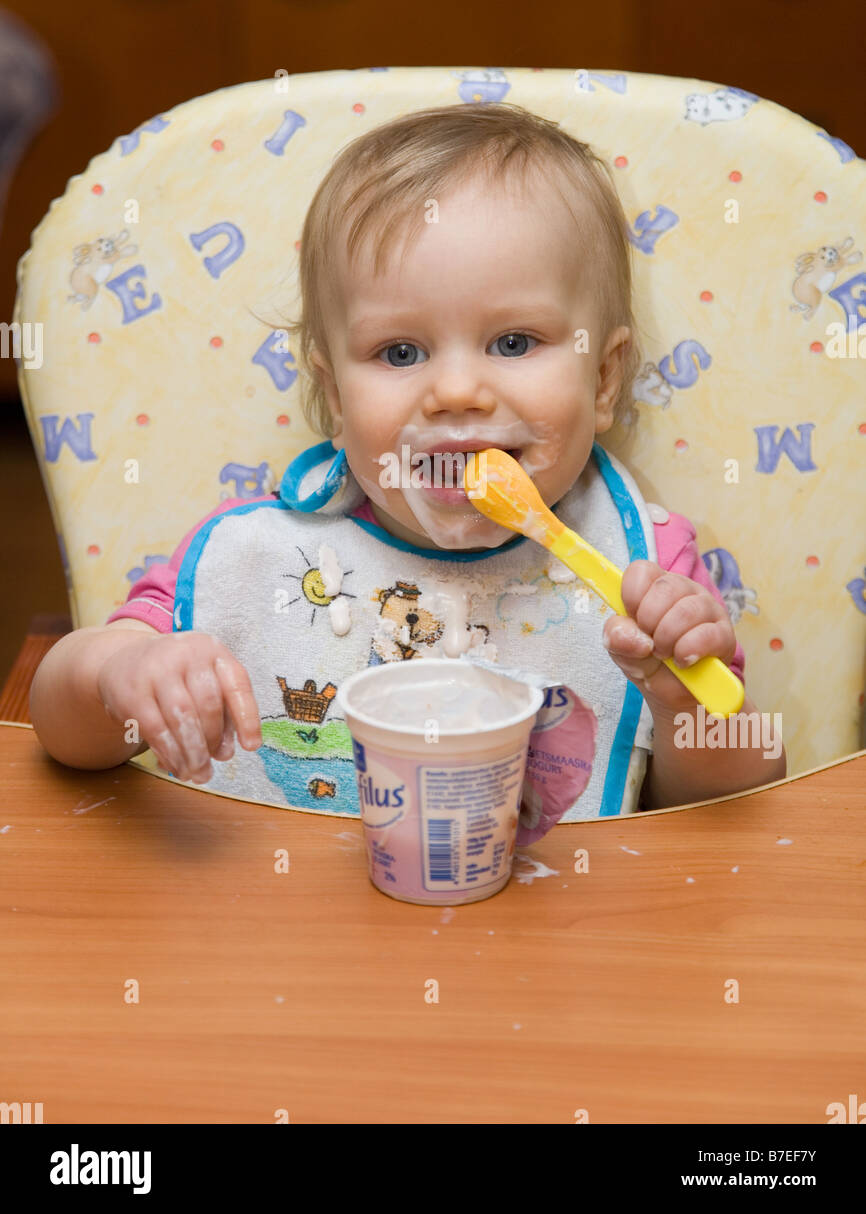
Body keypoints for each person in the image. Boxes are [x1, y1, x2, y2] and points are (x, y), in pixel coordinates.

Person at [30, 102, 785, 821]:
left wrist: (682, 699)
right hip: (277, 942)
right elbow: (64, 734)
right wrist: (116, 677)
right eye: (400, 352)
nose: (455, 391)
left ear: (602, 379)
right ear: (333, 392)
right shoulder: (258, 558)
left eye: (514, 342)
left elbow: (736, 802)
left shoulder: (643, 571)